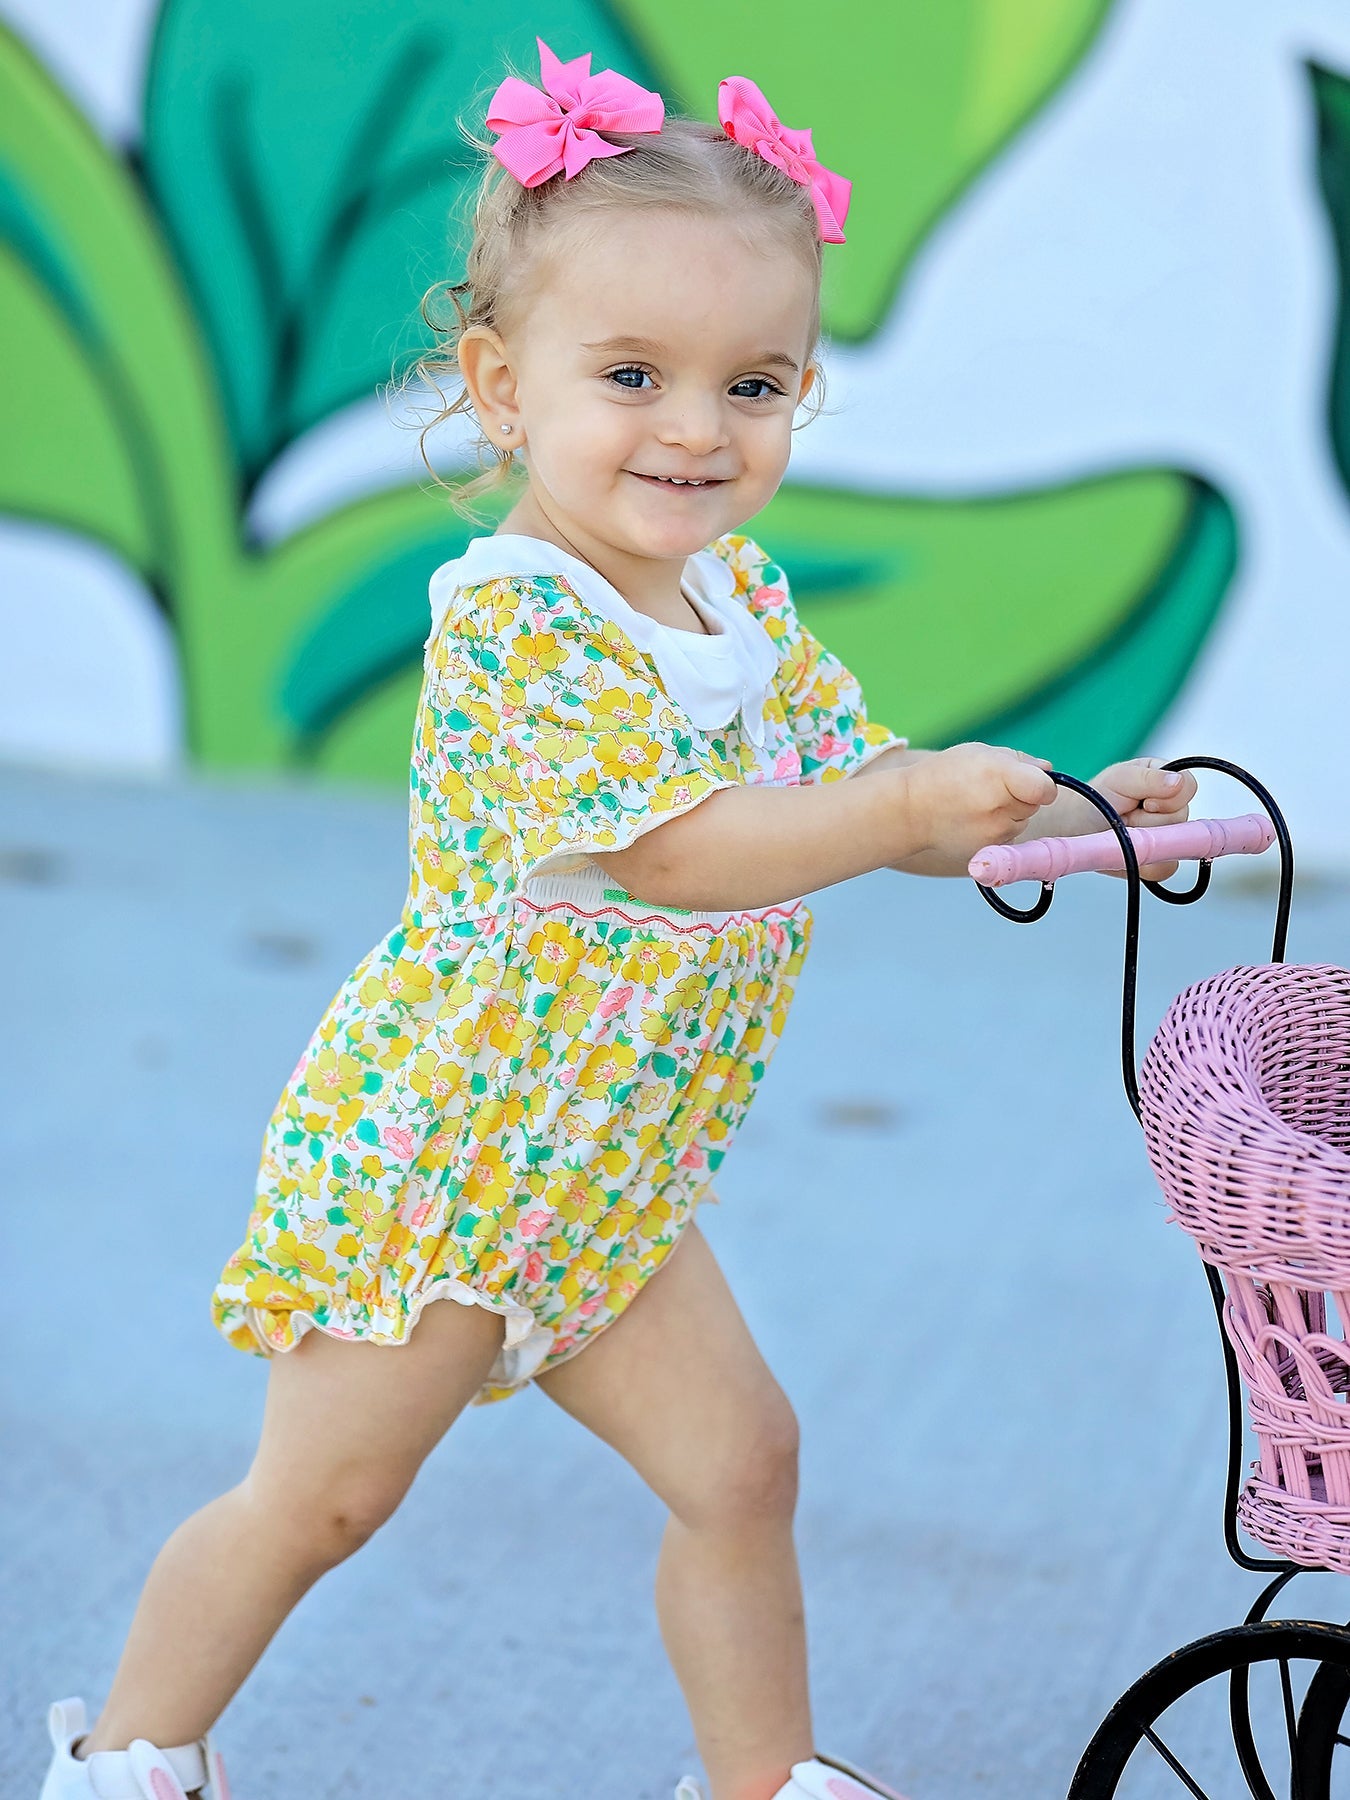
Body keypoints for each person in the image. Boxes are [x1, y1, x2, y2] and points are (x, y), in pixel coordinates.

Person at [38, 41, 1196, 1800]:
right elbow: (680, 852)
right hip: (448, 1157)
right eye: (633, 374)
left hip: (609, 1169)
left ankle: (762, 1779)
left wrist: (1060, 809)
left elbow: (854, 780)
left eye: (753, 385)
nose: (694, 429)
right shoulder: (515, 623)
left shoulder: (735, 595)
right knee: (323, 1498)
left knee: (740, 1466)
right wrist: (884, 807)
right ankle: (128, 1760)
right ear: (505, 389)